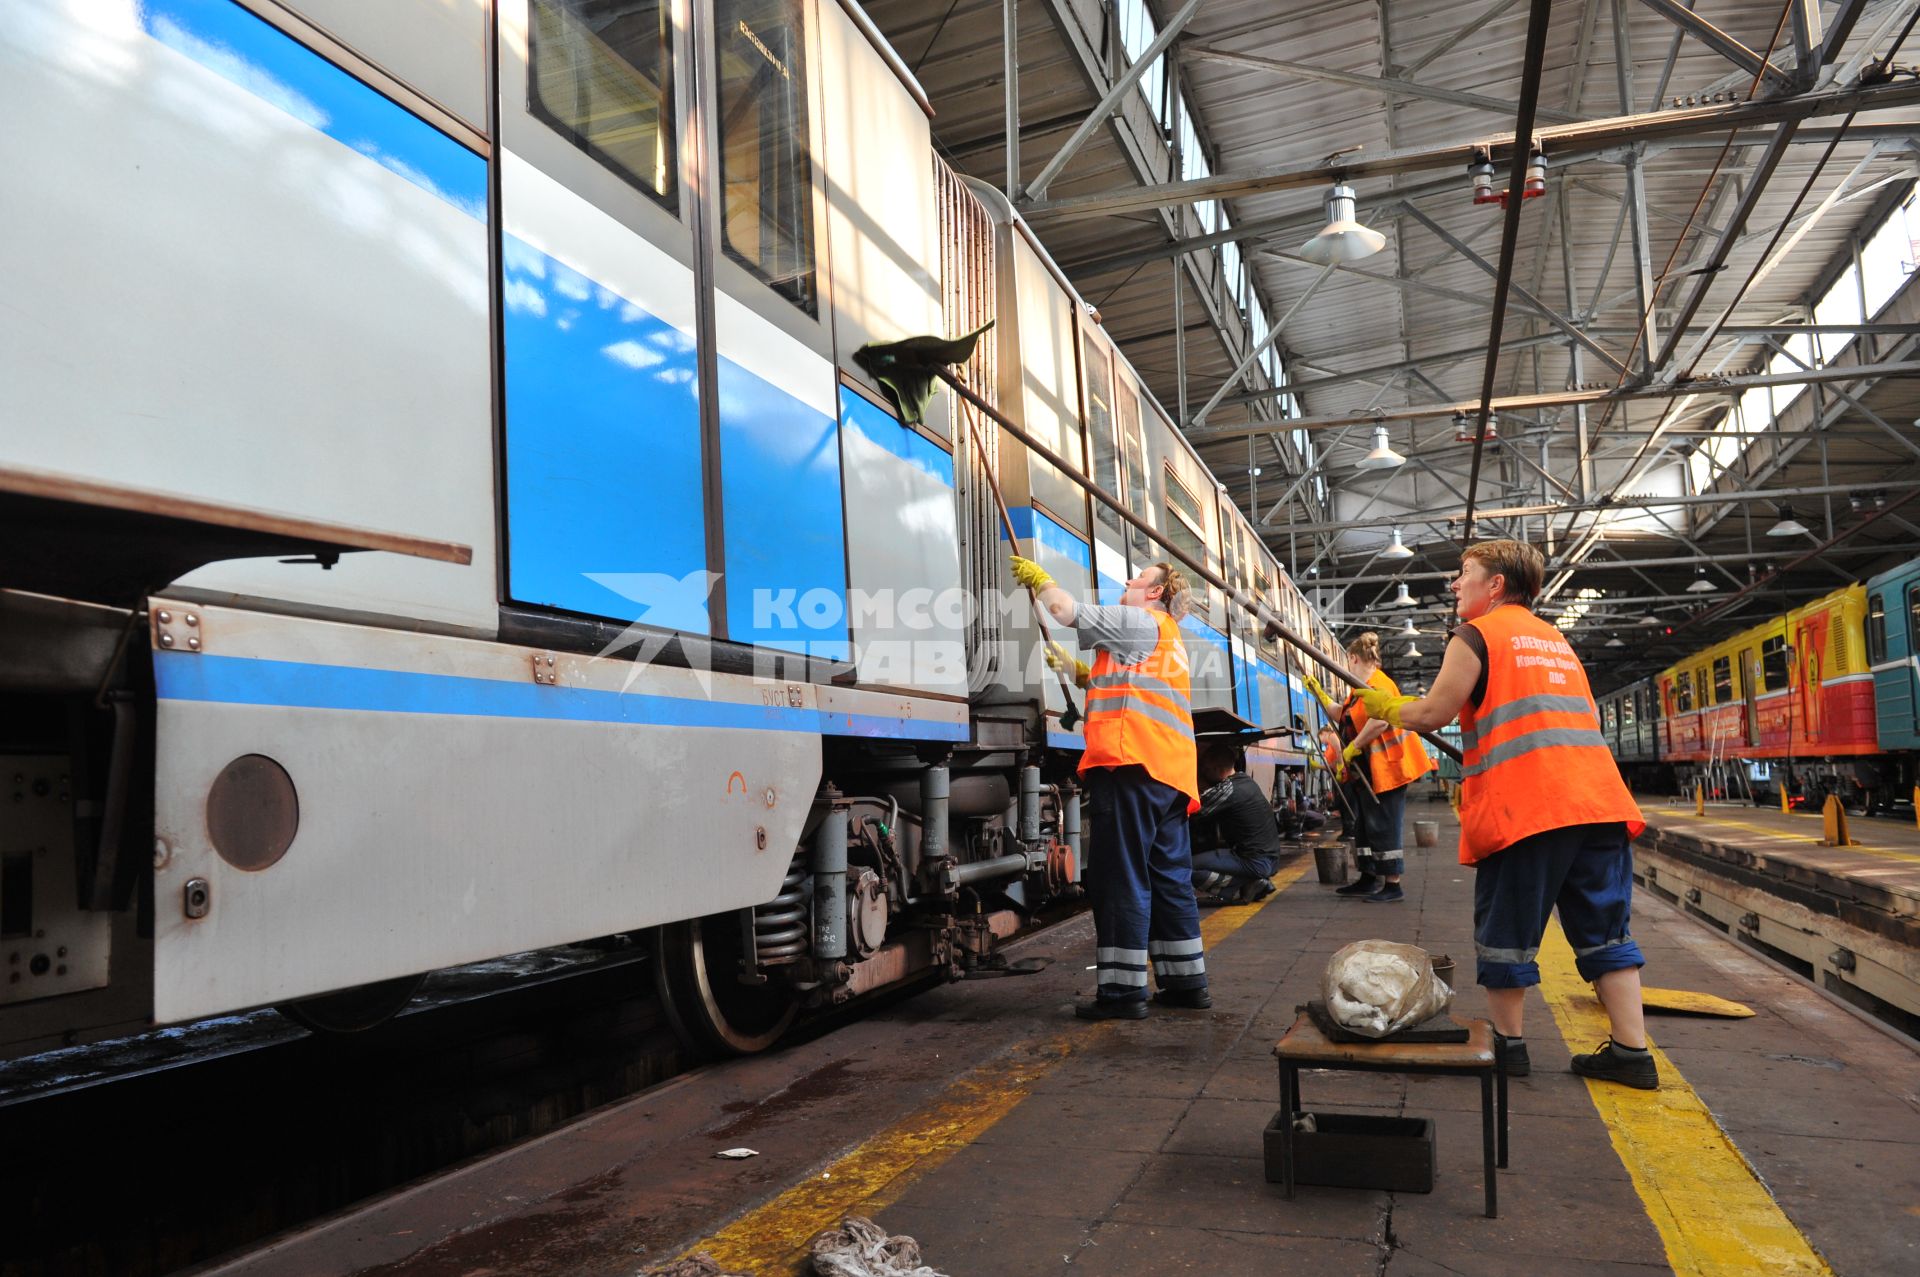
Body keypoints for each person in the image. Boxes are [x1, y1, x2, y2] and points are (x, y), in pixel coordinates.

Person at [1352, 539, 1656, 1089]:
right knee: (1606, 934)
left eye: (1463, 573)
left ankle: (1510, 1048)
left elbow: (1435, 712)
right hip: (1598, 802)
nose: (1454, 584)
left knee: (1507, 931)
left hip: (1530, 807)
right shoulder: (1556, 640)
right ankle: (1633, 1054)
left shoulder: (1477, 634)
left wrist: (1385, 707)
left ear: (1494, 585)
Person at [1010, 555, 1209, 1020]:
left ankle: (1122, 994)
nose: (1128, 580)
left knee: (1120, 878)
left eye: (1139, 578)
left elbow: (1062, 610)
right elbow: (1133, 684)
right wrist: (1081, 675)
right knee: (1168, 879)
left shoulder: (1139, 620)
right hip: (1168, 775)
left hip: (1131, 766)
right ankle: (1186, 984)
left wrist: (1041, 580)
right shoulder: (1166, 638)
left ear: (1156, 592)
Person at [1310, 634, 1435, 904]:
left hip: (1390, 768)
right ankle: (1369, 877)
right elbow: (1342, 714)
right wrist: (1318, 693)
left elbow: (1380, 722)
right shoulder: (1359, 689)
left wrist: (1353, 746)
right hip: (1369, 771)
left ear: (1353, 659)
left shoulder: (1380, 684)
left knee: (1384, 825)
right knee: (1365, 826)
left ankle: (1393, 884)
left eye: (1348, 663)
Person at [1190, 742, 1282, 904]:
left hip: (1256, 862)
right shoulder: (1245, 781)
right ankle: (1249, 882)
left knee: (1186, 868)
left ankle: (1239, 888)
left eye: (1204, 769)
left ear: (1215, 767)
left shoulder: (1229, 789)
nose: (1203, 773)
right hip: (1268, 859)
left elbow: (1195, 811)